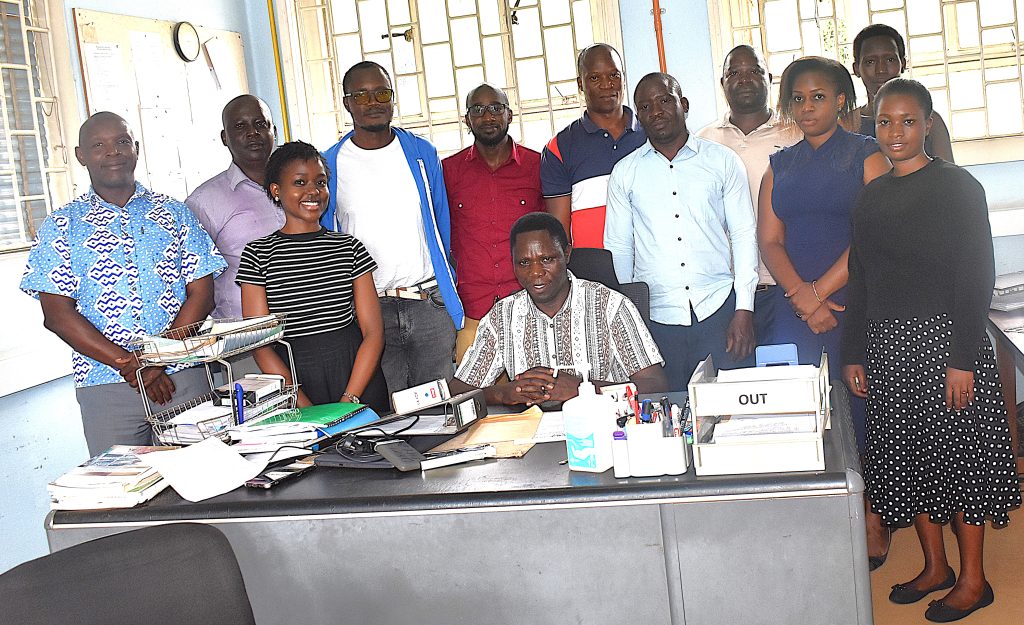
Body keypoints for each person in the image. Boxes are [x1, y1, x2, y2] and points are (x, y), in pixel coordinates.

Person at [842, 78, 1020, 622]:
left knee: (959, 463)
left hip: (948, 346)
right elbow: (862, 277)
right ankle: (935, 566)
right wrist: (855, 351)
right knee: (912, 460)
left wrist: (964, 357)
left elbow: (976, 275)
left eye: (908, 121)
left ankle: (974, 580)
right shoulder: (872, 194)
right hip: (891, 348)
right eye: (884, 122)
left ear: (928, 124)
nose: (895, 133)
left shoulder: (958, 187)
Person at [20, 112, 226, 455]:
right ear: (80, 155)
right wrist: (130, 364)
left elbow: (202, 294)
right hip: (106, 389)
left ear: (136, 149)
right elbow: (56, 315)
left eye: (121, 142)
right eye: (98, 145)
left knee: (204, 487)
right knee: (120, 496)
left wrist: (158, 360)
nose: (112, 152)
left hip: (183, 378)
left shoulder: (175, 213)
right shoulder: (61, 225)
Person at [757, 56, 891, 566]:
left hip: (856, 303)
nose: (807, 106)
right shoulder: (779, 164)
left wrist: (821, 291)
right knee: (807, 411)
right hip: (797, 308)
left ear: (841, 101)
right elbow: (769, 240)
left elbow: (874, 234)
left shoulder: (867, 155)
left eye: (818, 96)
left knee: (860, 409)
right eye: (798, 98)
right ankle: (821, 513)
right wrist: (801, 296)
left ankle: (873, 513)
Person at [605, 72, 758, 387]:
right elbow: (619, 249)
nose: (656, 111)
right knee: (666, 416)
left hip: (720, 310)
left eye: (664, 100)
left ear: (683, 104)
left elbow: (744, 236)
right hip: (655, 321)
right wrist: (627, 322)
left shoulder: (723, 162)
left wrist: (744, 308)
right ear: (639, 117)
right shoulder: (625, 173)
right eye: (645, 106)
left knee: (728, 415)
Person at [320, 61, 463, 392]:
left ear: (393, 98)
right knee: (388, 417)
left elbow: (441, 223)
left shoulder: (421, 153)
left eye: (382, 93)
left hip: (428, 302)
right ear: (347, 103)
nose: (373, 103)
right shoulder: (330, 164)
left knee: (441, 408)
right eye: (362, 95)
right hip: (370, 313)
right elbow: (329, 239)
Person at [452, 212, 666, 406]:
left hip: (603, 430)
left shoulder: (610, 306)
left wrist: (583, 389)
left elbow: (655, 385)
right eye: (524, 263)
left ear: (567, 254)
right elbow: (459, 391)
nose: (536, 272)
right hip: (530, 436)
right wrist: (504, 393)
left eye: (546, 259)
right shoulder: (502, 317)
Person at [237, 141, 388, 412]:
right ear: (276, 191)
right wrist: (303, 405)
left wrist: (350, 400)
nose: (313, 191)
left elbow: (373, 332)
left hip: (357, 377)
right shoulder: (257, 254)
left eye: (320, 182)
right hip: (295, 381)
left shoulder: (348, 247)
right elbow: (260, 343)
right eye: (299, 182)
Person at [696, 45, 801, 342]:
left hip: (788, 285)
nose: (744, 79)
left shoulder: (796, 134)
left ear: (769, 78)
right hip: (726, 293)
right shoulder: (703, 142)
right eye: (734, 73)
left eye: (753, 71)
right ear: (722, 84)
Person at [442, 83, 544, 364]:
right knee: (471, 400)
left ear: (510, 115)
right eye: (478, 110)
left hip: (529, 308)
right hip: (472, 312)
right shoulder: (448, 171)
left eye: (496, 108)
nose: (488, 117)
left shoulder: (537, 165)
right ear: (467, 120)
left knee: (535, 398)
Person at [186, 95, 284, 319]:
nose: (252, 133)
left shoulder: (300, 187)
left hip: (309, 326)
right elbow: (192, 280)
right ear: (224, 137)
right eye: (240, 126)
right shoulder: (204, 202)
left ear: (274, 131)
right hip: (246, 337)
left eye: (260, 124)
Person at [540, 43, 646, 248]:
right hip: (593, 272)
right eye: (595, 78)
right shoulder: (559, 148)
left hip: (651, 267)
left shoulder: (650, 135)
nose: (607, 85)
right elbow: (561, 235)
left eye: (614, 75)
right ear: (581, 84)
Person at [851, 23, 954, 162]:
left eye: (890, 60)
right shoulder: (848, 125)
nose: (881, 70)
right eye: (870, 62)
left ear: (903, 64)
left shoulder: (929, 120)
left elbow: (948, 176)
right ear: (856, 68)